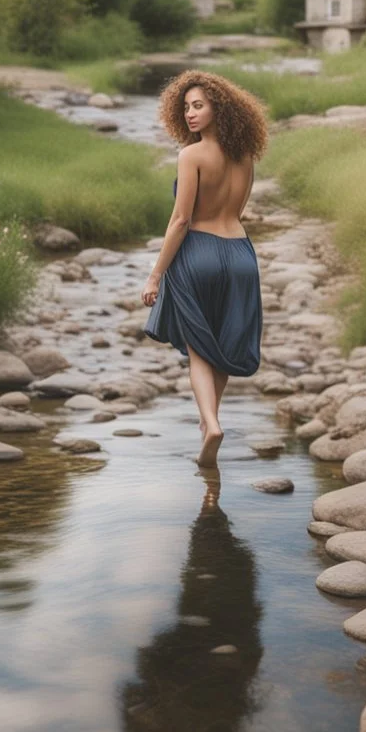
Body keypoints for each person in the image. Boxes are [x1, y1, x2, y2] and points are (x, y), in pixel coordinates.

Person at [141, 69, 268, 467]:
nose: (191, 114)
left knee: (200, 350)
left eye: (198, 106)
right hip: (241, 255)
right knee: (225, 344)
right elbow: (239, 210)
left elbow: (181, 220)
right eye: (186, 108)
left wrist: (156, 274)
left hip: (199, 253)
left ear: (219, 109)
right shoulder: (246, 156)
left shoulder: (191, 155)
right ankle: (209, 421)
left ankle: (209, 422)